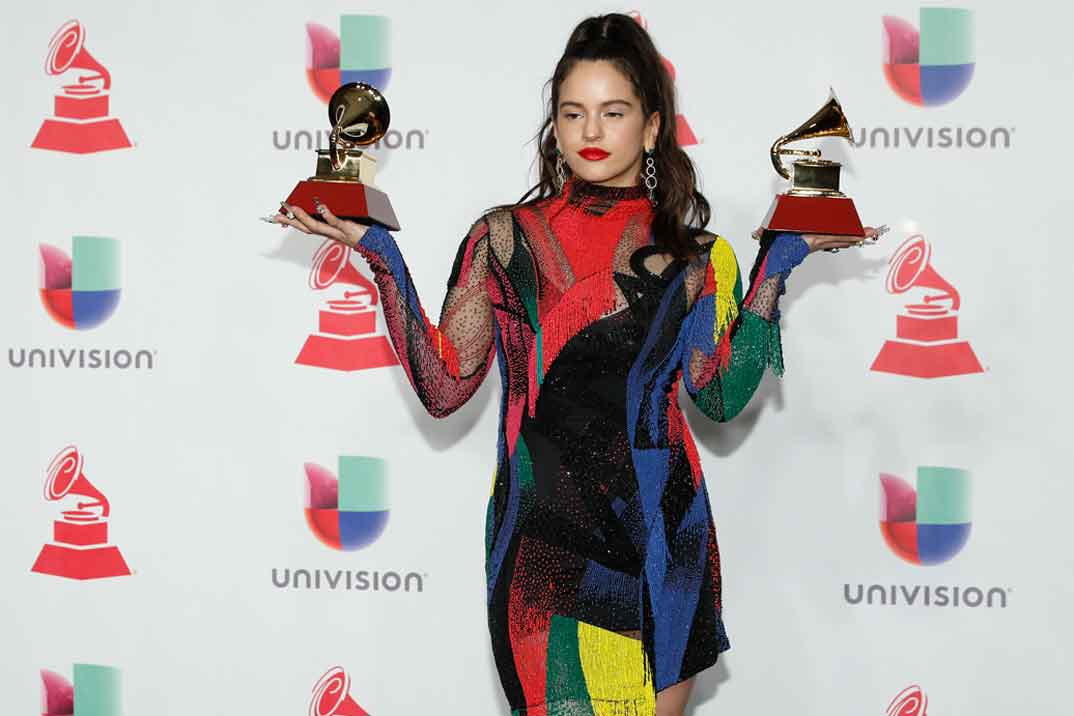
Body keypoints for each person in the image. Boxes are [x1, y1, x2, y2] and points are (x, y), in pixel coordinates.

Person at [266, 13, 882, 716]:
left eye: (613, 112)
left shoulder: (699, 258)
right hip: (544, 557)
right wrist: (381, 256)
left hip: (663, 545)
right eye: (573, 113)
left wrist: (777, 266)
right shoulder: (504, 240)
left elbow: (717, 397)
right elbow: (443, 388)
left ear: (651, 127)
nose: (591, 132)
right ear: (554, 127)